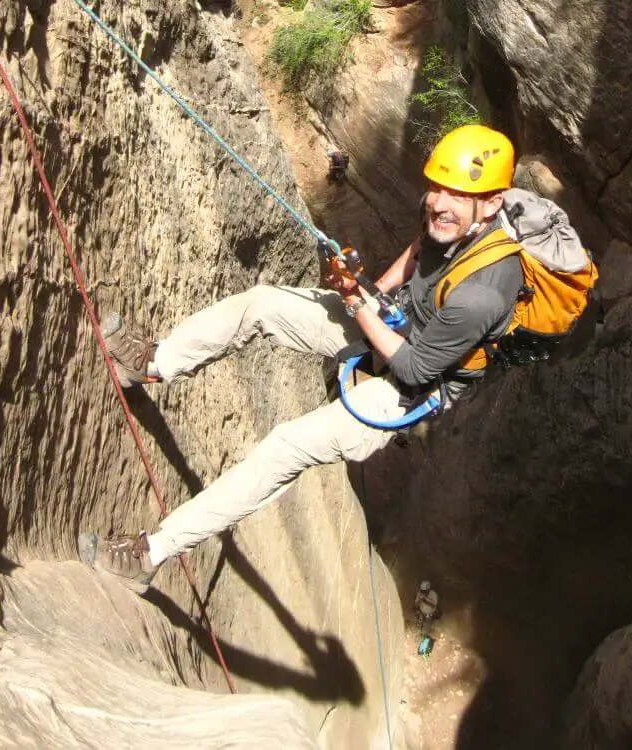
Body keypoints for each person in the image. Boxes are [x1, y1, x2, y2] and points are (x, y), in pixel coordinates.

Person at [79, 124, 523, 593]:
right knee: (262, 304)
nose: (438, 202)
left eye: (456, 193)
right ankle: (155, 363)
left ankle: (151, 554)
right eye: (436, 187)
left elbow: (414, 369)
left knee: (284, 447)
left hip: (414, 388)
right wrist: (373, 289)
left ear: (492, 203)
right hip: (395, 322)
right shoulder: (448, 219)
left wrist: (354, 301)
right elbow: (420, 251)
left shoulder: (485, 294)